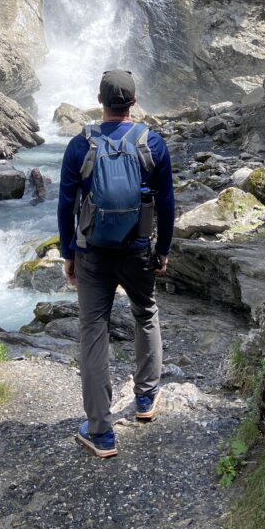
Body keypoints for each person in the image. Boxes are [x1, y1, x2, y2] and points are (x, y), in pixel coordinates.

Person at [57, 69, 175, 458]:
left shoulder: (80, 146)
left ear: (99, 100)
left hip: (92, 253)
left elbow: (65, 205)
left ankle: (101, 433)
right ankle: (145, 401)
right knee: (145, 313)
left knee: (93, 331)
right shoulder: (151, 143)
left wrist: (68, 253)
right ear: (134, 102)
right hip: (138, 250)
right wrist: (163, 249)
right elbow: (167, 203)